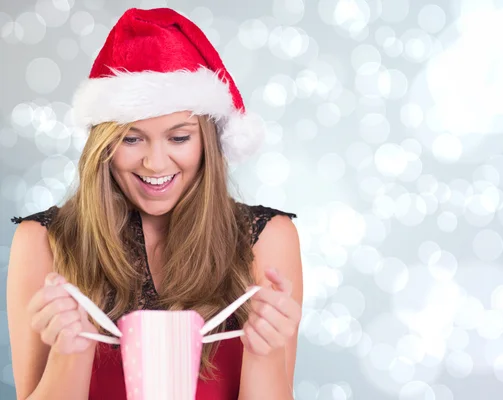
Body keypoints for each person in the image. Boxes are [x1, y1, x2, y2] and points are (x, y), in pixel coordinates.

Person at [6, 7, 303, 400]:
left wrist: (267, 353)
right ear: (103, 146)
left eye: (179, 138)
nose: (155, 163)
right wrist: (68, 355)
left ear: (208, 143)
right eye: (132, 139)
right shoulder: (43, 242)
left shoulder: (267, 240)